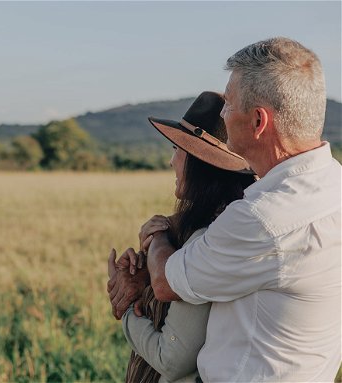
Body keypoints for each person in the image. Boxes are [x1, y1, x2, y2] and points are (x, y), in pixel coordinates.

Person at [137, 37, 341, 381]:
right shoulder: (333, 183)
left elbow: (167, 282)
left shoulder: (262, 219)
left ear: (259, 122)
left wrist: (157, 234)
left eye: (228, 105)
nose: (222, 115)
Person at [107, 91, 256, 383]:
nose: (171, 161)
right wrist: (144, 277)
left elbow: (171, 359)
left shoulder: (207, 239)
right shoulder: (213, 226)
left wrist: (127, 309)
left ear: (201, 165)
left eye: (177, 149)